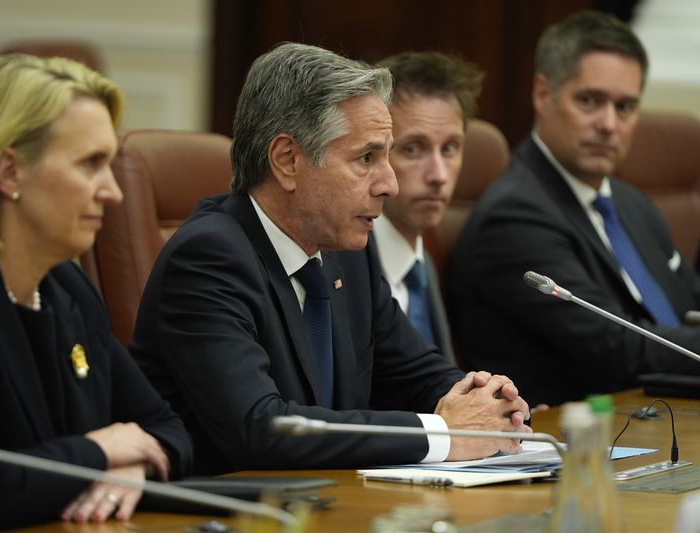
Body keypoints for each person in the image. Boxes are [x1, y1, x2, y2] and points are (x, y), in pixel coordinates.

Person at [131, 42, 530, 476]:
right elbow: (264, 428)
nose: (389, 185)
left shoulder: (343, 255)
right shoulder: (208, 260)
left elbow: (415, 373)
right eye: (366, 158)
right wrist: (444, 434)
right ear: (288, 161)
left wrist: (486, 400)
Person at [0, 54, 192, 530]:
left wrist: (132, 468)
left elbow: (167, 427)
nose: (113, 191)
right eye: (90, 164)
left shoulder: (65, 285)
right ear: (10, 172)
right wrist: (101, 449)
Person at [448, 11, 700, 406]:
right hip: (582, 436)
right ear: (543, 94)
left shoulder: (631, 202)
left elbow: (688, 305)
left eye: (625, 107)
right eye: (590, 100)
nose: (608, 124)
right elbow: (619, 346)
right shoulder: (514, 216)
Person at [372, 51, 484, 364]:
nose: (438, 175)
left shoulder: (423, 264)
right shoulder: (343, 268)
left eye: (450, 148)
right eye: (413, 149)